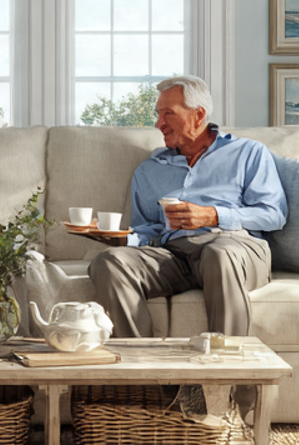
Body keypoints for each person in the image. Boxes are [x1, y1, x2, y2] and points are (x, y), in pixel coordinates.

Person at [89, 76, 286, 338]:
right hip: (174, 256)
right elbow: (148, 231)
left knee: (219, 255)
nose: (158, 124)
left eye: (168, 113)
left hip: (234, 247)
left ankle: (226, 375)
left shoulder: (248, 152)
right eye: (158, 115)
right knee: (109, 262)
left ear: (199, 114)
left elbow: (274, 215)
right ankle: (141, 372)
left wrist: (213, 215)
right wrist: (120, 239)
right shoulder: (150, 170)